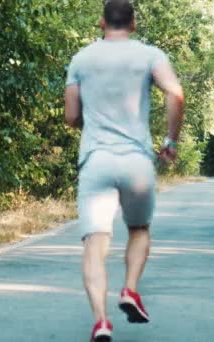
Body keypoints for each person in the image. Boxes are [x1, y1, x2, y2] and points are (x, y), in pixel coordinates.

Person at [64, 0, 185, 341]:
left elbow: (71, 117)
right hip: (136, 162)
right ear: (133, 24)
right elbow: (175, 93)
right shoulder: (150, 56)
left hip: (96, 160)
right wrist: (170, 141)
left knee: (95, 243)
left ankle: (101, 321)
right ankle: (129, 289)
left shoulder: (81, 59)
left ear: (102, 23)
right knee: (139, 229)